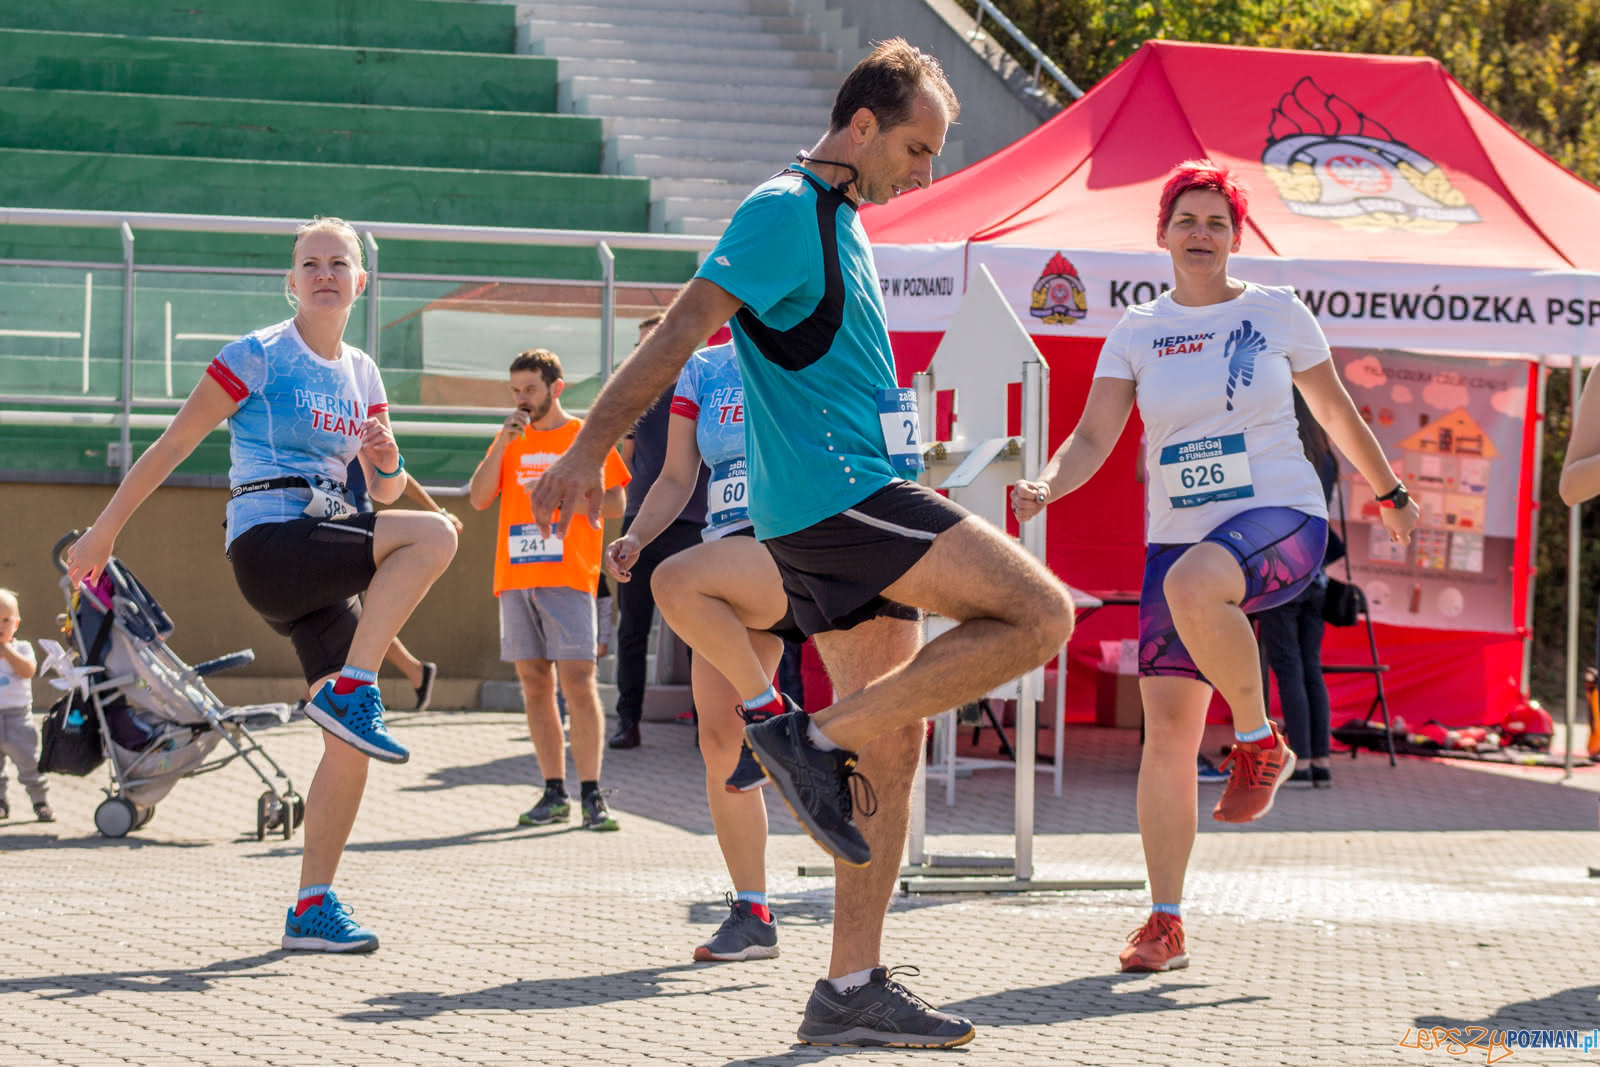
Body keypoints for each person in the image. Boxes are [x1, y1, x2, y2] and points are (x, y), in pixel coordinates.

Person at [530, 39, 1075, 1049]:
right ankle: (806, 737)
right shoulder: (784, 209)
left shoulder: (839, 218)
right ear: (860, 125)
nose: (926, 171)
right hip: (842, 500)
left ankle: (850, 980)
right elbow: (679, 329)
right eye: (916, 147)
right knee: (1042, 612)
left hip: (855, 489)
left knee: (896, 739)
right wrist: (585, 450)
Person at [1011, 159, 1418, 974]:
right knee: (1164, 734)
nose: (1202, 233)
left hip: (1281, 516)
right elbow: (1094, 436)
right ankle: (1163, 921)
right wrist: (1047, 484)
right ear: (1162, 233)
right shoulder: (1137, 329)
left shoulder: (1276, 312)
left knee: (1193, 583)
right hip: (1181, 538)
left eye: (1217, 221)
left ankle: (1260, 740)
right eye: (1187, 219)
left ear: (1235, 237)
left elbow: (1334, 408)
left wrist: (1392, 490)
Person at [66, 216, 459, 953]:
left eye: (338, 263)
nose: (324, 274)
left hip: (326, 545)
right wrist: (105, 530)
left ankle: (313, 903)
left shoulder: (364, 371)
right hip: (271, 543)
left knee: (348, 744)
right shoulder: (256, 354)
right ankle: (358, 685)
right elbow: (175, 441)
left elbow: (387, 488)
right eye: (310, 263)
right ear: (292, 280)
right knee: (438, 534)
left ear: (359, 281)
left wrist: (385, 457)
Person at [605, 340, 803, 963]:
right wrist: (636, 534)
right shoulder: (704, 366)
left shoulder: (812, 341)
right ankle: (754, 913)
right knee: (720, 741)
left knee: (675, 580)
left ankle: (772, 712)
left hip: (790, 547)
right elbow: (675, 475)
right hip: (727, 563)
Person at [468, 348, 630, 832]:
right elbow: (478, 498)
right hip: (516, 579)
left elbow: (618, 500)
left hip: (567, 574)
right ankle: (553, 791)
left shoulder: (584, 436)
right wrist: (502, 444)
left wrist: (564, 504)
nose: (521, 399)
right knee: (535, 686)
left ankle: (593, 794)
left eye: (530, 390)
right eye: (515, 390)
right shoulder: (509, 437)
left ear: (555, 389)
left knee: (579, 683)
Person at [610, 313, 709, 750]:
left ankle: (707, 724)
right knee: (632, 628)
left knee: (699, 630)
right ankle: (627, 721)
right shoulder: (637, 398)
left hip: (695, 522)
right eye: (641, 345)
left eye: (655, 341)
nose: (646, 352)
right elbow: (627, 463)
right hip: (640, 525)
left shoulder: (705, 387)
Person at [1257, 389, 1342, 787]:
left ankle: (1302, 760)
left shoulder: (1280, 456)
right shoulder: (1327, 459)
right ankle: (1321, 760)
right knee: (1311, 667)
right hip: (1317, 571)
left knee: (1287, 668)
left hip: (1281, 572)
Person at [345, 458, 462, 711]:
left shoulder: (359, 425)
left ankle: (324, 694)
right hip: (326, 524)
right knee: (351, 617)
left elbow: (396, 473)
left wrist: (438, 513)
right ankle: (416, 671)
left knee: (352, 617)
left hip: (356, 529)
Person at [0, 588, 51, 823]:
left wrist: (7, 652)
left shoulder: (22, 649)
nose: (0, 625)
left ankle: (40, 801)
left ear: (16, 624)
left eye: (5, 620)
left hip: (18, 718)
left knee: (29, 762)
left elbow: (28, 671)